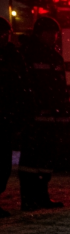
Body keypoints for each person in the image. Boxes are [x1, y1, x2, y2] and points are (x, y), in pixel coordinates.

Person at [18, 16, 68, 211]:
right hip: (34, 117)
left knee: (46, 158)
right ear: (39, 34)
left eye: (55, 34)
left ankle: (42, 196)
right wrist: (29, 109)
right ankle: (28, 199)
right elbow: (23, 86)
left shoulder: (55, 57)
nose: (53, 37)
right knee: (30, 158)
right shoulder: (27, 55)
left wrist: (64, 108)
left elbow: (60, 86)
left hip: (50, 117)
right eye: (49, 33)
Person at [0, 18, 25, 217]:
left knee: (3, 163)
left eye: (5, 34)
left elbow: (21, 88)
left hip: (6, 118)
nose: (3, 38)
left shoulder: (13, 57)